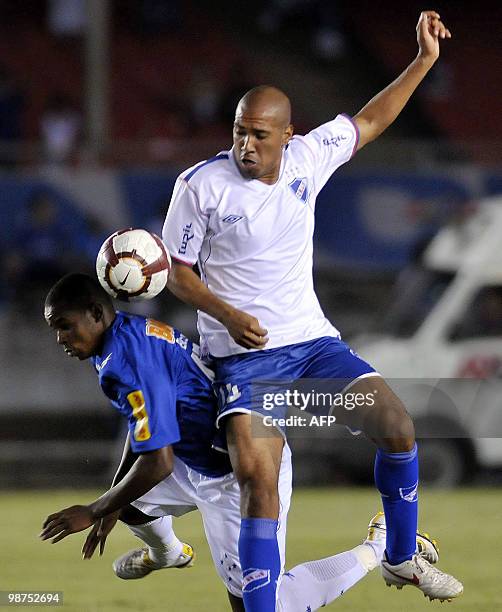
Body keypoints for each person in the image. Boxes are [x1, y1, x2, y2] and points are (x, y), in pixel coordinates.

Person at [161, 11, 463, 610]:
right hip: (246, 366)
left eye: (260, 135)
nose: (245, 144)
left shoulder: (309, 158)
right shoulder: (200, 186)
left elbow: (373, 118)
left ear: (288, 135)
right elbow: (175, 271)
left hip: (313, 347)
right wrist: (227, 313)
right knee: (258, 480)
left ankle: (401, 557)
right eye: (240, 131)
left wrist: (425, 60)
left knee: (398, 428)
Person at [40, 273, 440, 611]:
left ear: (95, 313)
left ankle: (377, 546)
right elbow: (145, 427)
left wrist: (93, 509)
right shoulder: (127, 333)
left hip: (234, 471)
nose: (59, 337)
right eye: (54, 328)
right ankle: (169, 554)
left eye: (64, 324)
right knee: (128, 506)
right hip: (192, 453)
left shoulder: (122, 362)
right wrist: (113, 496)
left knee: (264, 605)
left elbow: (157, 462)